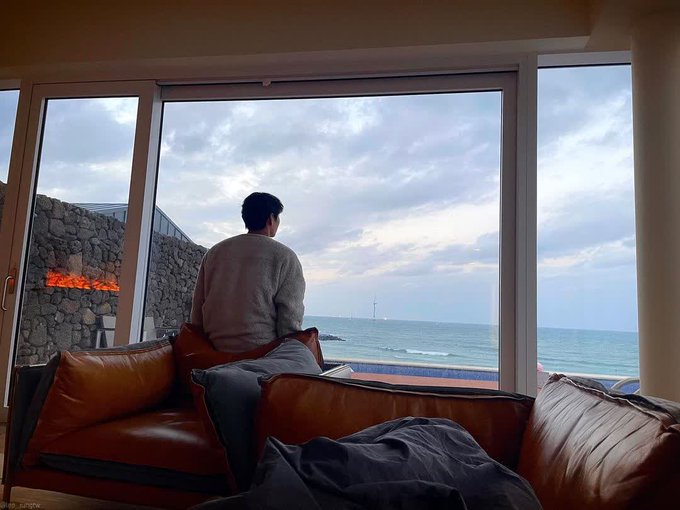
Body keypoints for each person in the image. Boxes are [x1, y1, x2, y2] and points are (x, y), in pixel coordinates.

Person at [190, 192, 305, 352]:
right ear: (271, 219)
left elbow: (197, 311)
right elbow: (289, 322)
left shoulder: (214, 253)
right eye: (278, 217)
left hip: (214, 352)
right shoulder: (285, 257)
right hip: (262, 356)